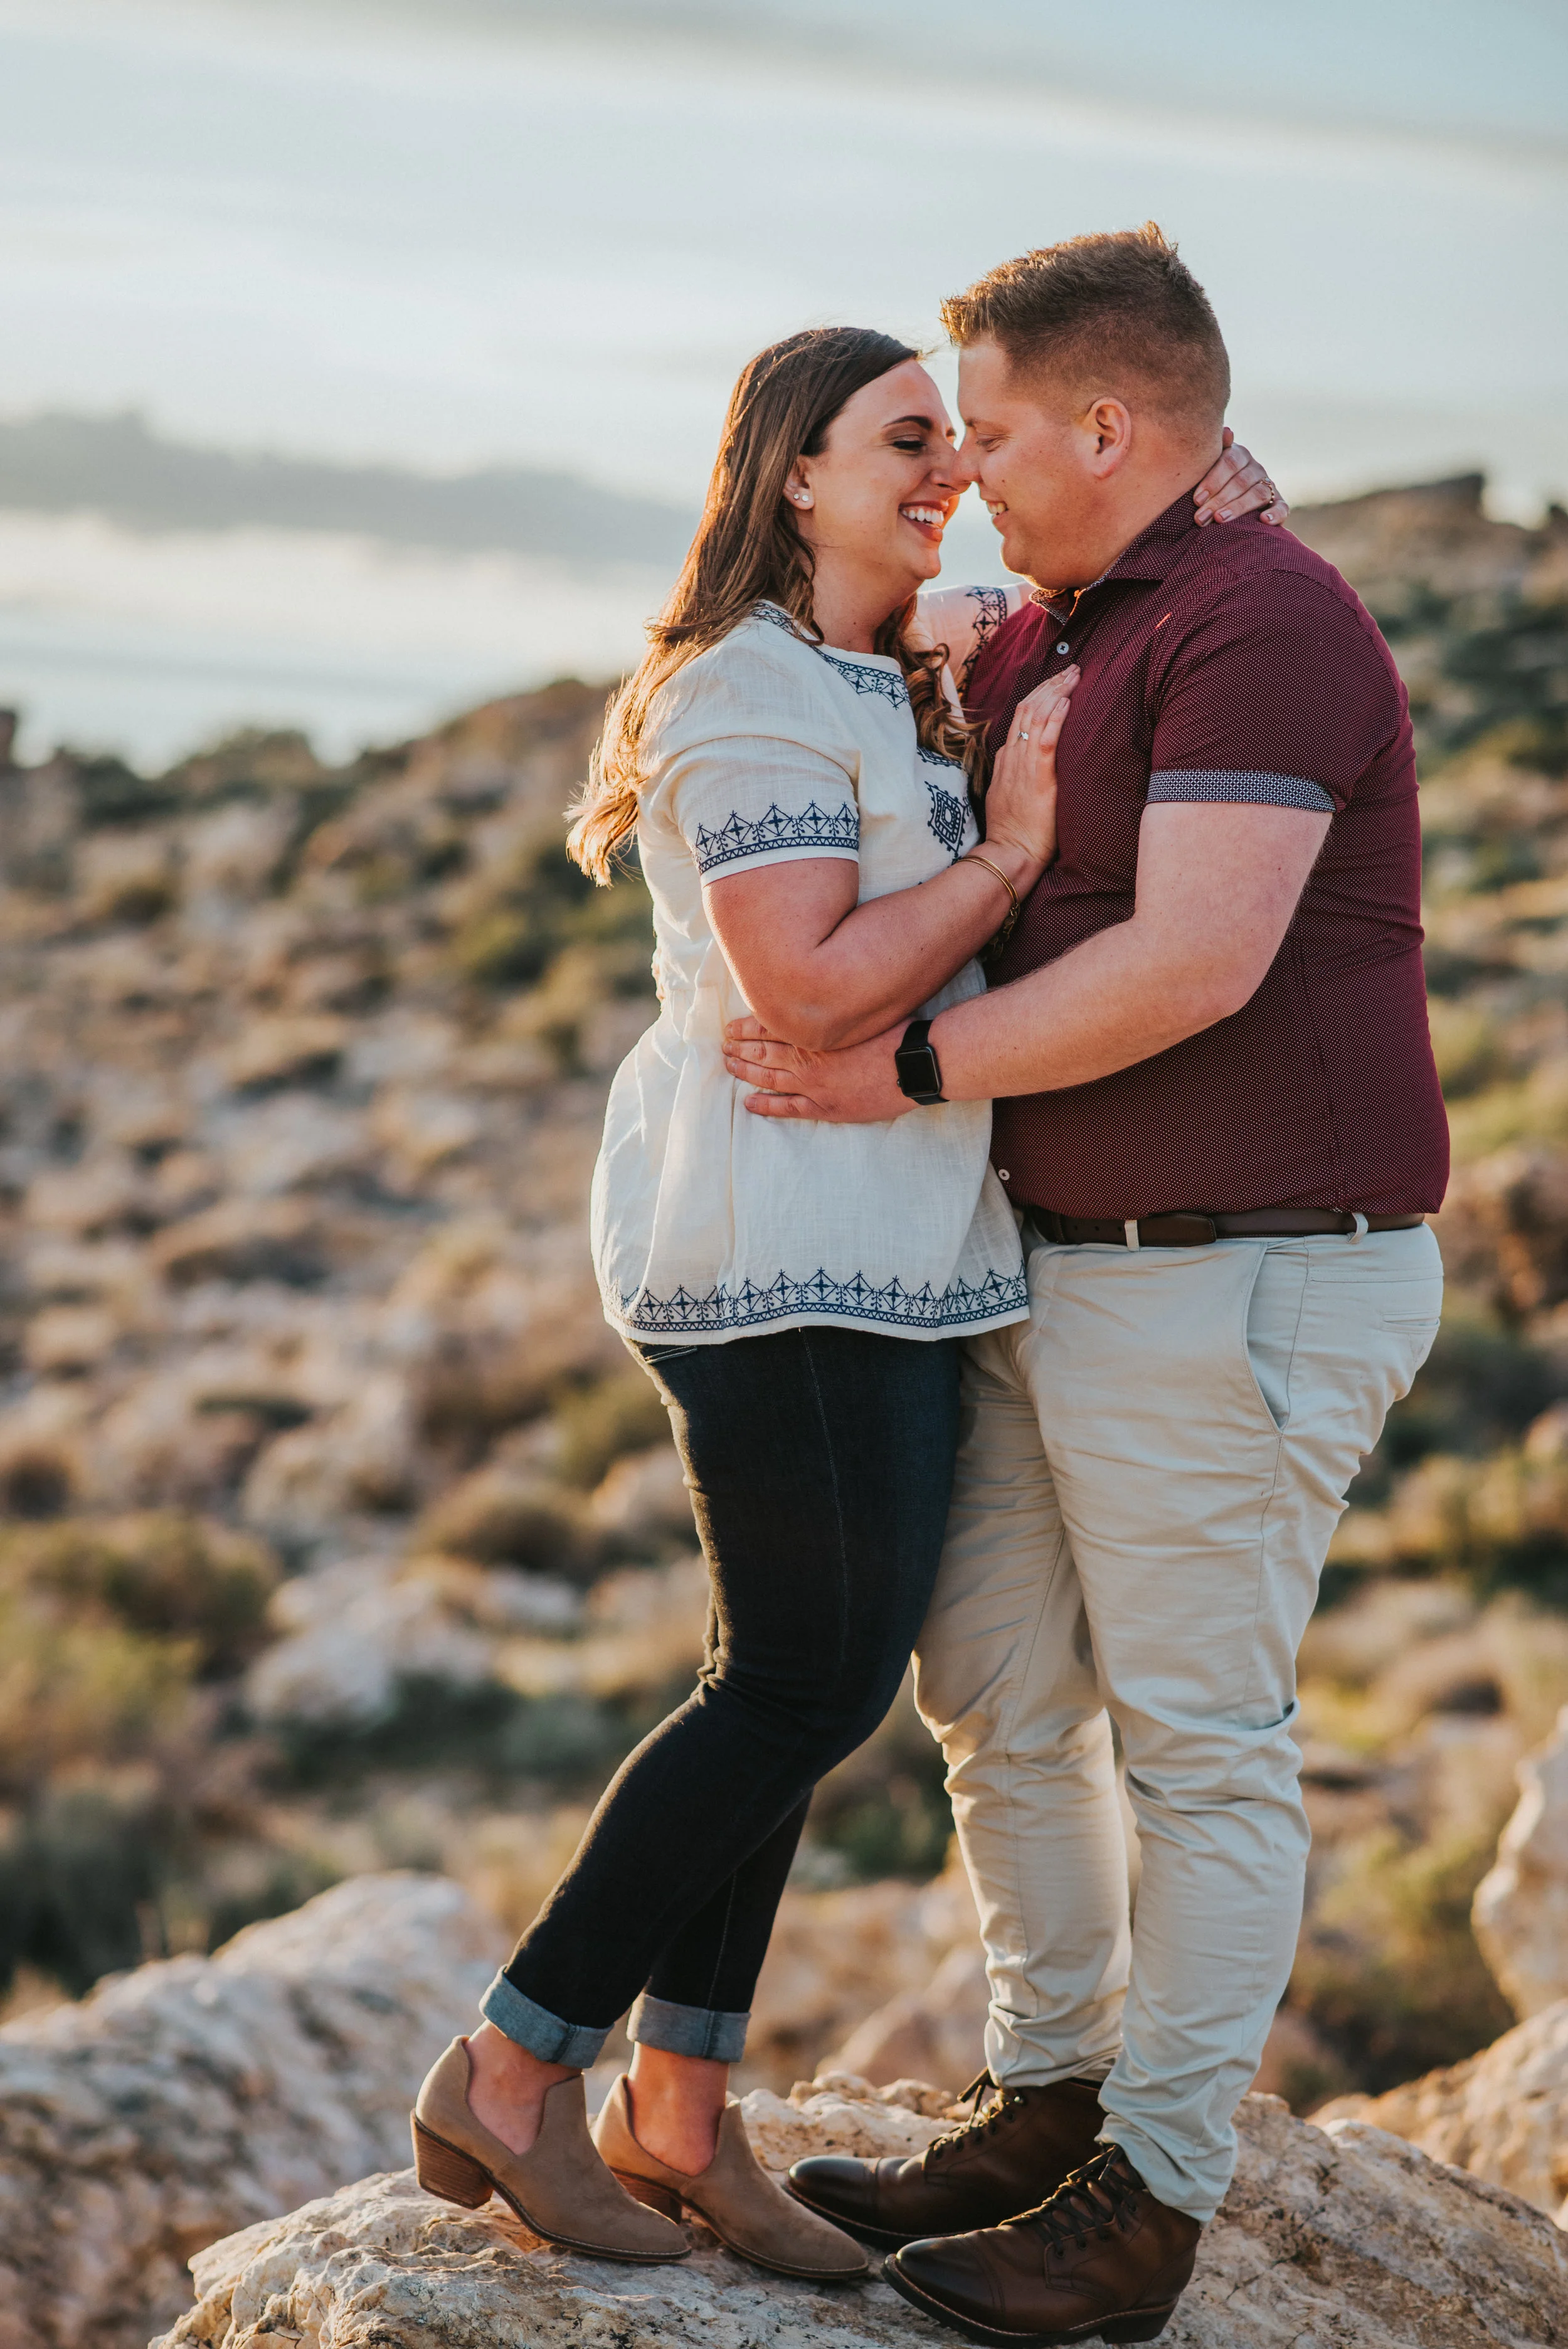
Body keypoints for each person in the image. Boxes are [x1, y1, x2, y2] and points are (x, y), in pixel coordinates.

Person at [409, 317, 1282, 2279]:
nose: (949, 470)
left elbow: (1166, 511)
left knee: (804, 1688)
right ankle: (516, 2068)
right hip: (775, 1243)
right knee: (795, 1683)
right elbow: (807, 989)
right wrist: (1026, 854)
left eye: (955, 446)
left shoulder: (879, 671)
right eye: (907, 440)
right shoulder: (744, 697)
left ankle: (684, 2118)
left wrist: (1180, 500)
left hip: (889, 1251)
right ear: (792, 472)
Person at [726, 226, 1448, 2347]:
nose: (962, 464)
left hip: (1244, 1275)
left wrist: (904, 1068)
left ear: (1110, 426)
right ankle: (1042, 2099)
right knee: (997, 1701)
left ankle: (1147, 2199)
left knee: (1199, 1744)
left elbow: (1196, 962)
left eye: (997, 426)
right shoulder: (1065, 626)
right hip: (1053, 1266)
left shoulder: (1268, 630)